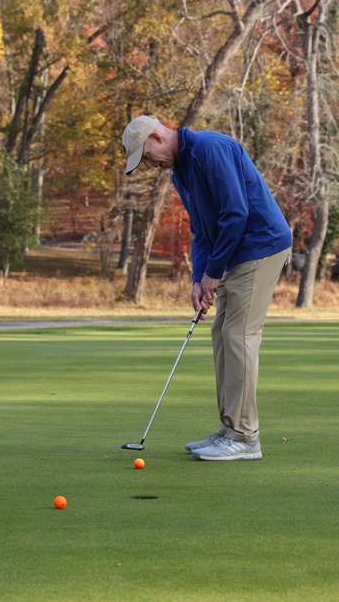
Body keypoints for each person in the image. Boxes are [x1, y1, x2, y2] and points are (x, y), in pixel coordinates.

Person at [122, 115, 292, 461]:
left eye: (147, 156)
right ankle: (228, 430)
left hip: (262, 245)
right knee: (222, 334)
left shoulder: (210, 148)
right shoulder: (179, 171)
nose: (149, 165)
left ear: (156, 137)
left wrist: (214, 272)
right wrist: (199, 280)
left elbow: (235, 213)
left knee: (239, 335)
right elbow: (201, 230)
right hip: (236, 252)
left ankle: (245, 439)